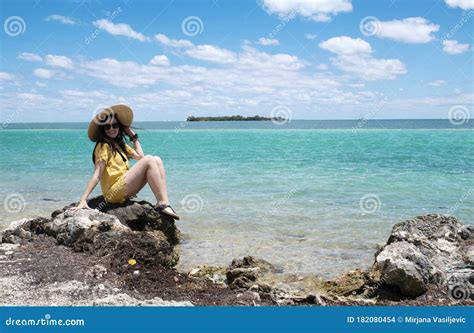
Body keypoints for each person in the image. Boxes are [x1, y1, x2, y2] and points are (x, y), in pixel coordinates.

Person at [71, 104, 179, 220]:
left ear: (119, 126)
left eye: (115, 125)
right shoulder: (103, 146)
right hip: (113, 192)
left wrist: (133, 137)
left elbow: (140, 157)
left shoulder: (119, 145)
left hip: (123, 186)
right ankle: (162, 203)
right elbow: (97, 174)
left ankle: (164, 202)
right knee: (149, 159)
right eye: (107, 127)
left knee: (156, 159)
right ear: (103, 130)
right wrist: (83, 199)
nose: (112, 129)